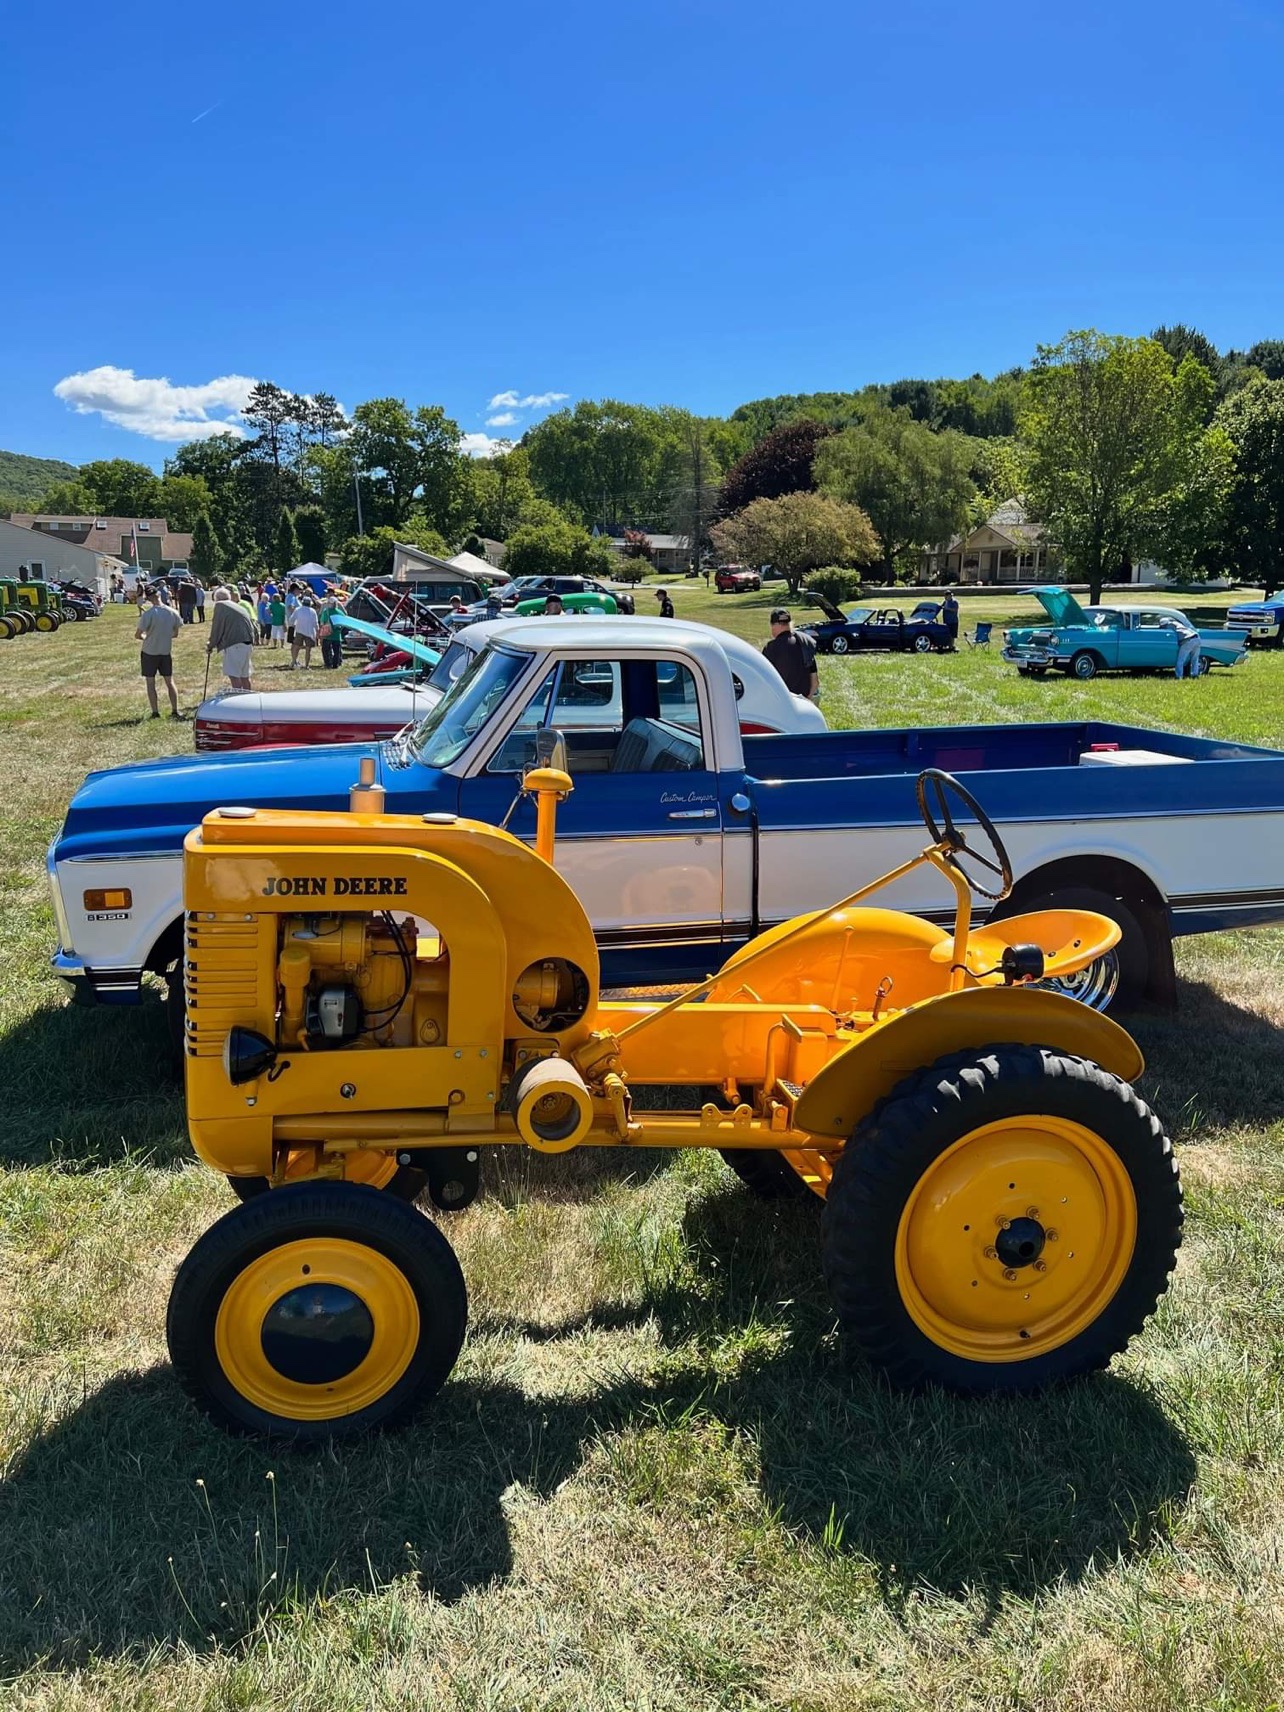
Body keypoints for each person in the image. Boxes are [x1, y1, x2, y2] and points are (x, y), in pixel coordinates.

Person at [135, 589, 183, 719]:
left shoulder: (148, 614)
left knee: (150, 683)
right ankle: (175, 710)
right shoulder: (173, 612)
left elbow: (138, 635)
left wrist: (147, 637)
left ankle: (155, 712)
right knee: (169, 681)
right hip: (165, 651)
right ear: (160, 595)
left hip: (149, 652)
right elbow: (175, 634)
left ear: (149, 599)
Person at [762, 608, 820, 701]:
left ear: (775, 625)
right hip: (803, 703)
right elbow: (815, 682)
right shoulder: (804, 643)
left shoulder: (771, 648)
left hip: (782, 703)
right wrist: (807, 699)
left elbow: (764, 681)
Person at [207, 586, 256, 691]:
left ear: (217, 598)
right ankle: (248, 698)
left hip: (234, 644)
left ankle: (237, 700)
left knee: (234, 675)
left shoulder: (220, 606)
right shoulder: (238, 606)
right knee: (244, 676)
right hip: (247, 643)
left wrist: (210, 645)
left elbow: (217, 627)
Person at [1160, 613, 1202, 679]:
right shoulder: (1177, 623)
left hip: (1187, 640)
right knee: (1195, 659)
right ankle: (1195, 674)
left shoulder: (1169, 625)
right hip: (1197, 638)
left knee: (1180, 660)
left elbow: (1167, 632)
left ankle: (1179, 676)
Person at [291, 596, 319, 668]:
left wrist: (293, 625)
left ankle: (293, 662)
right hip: (309, 632)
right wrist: (317, 631)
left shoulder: (298, 609)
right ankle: (307, 665)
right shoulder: (313, 611)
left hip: (299, 630)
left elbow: (291, 619)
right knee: (308, 649)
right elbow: (315, 623)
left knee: (296, 647)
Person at [318, 591, 344, 669]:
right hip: (337, 634)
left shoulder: (326, 612)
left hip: (327, 634)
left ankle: (328, 664)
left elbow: (322, 622)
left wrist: (321, 631)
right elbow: (344, 622)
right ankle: (335, 664)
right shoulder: (340, 612)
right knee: (337, 651)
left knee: (326, 650)